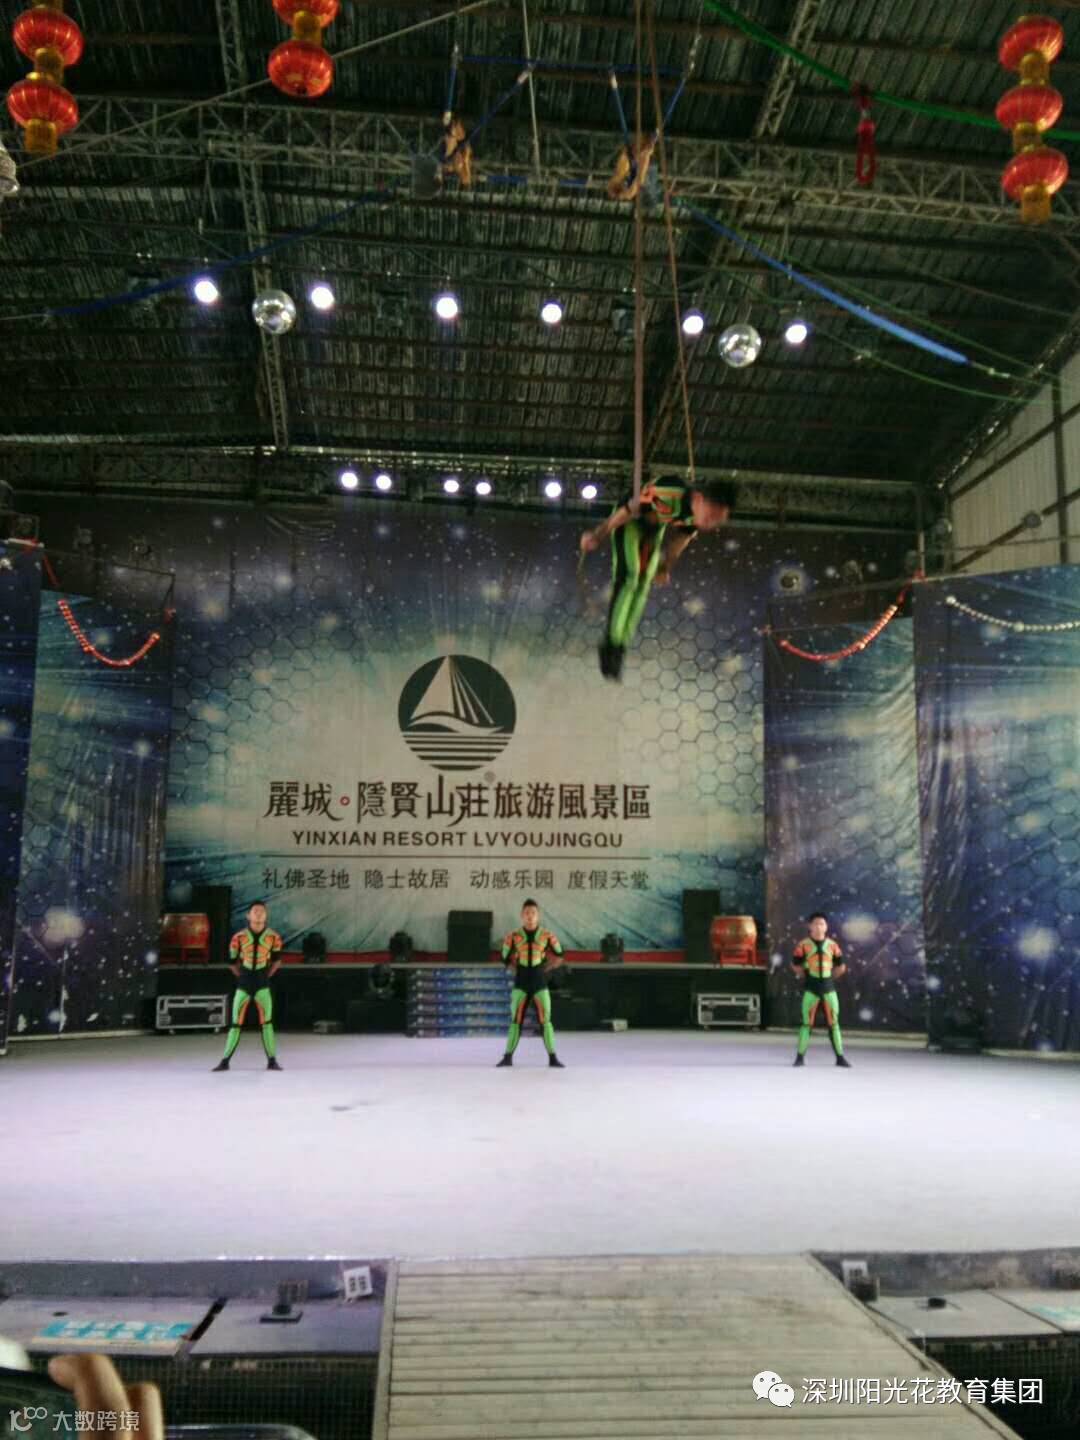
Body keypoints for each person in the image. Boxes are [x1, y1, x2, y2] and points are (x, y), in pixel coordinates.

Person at [579, 475, 735, 681]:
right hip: (629, 522)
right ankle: (611, 644)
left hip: (653, 530)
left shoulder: (695, 517)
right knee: (630, 578)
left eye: (717, 520)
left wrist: (664, 567)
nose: (711, 523)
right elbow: (627, 511)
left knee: (643, 587)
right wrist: (599, 534)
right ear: (698, 498)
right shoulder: (669, 494)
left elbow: (680, 541)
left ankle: (621, 646)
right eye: (711, 515)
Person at [212, 900, 284, 1071]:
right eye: (255, 911)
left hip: (262, 984)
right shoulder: (238, 937)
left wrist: (265, 975)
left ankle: (272, 1061)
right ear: (248, 915)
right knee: (235, 1023)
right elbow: (232, 962)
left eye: (262, 911)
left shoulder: (274, 937)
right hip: (244, 985)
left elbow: (277, 961)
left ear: (266, 915)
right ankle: (225, 1061)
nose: (258, 914)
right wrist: (243, 975)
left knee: (267, 1023)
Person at [495, 899, 566, 1068]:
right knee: (516, 1021)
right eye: (527, 913)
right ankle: (507, 1057)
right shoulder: (513, 937)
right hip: (521, 983)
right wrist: (516, 969)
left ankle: (553, 1058)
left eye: (533, 913)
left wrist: (547, 968)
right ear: (522, 915)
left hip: (539, 982)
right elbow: (504, 958)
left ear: (538, 915)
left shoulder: (547, 936)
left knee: (546, 1021)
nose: (530, 916)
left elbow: (560, 955)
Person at [791, 911, 850, 1067]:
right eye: (815, 924)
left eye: (822, 924)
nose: (818, 927)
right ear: (809, 926)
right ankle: (799, 1058)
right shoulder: (803, 945)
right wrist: (806, 976)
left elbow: (841, 966)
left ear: (826, 927)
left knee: (834, 1024)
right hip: (811, 989)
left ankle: (840, 1058)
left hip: (829, 990)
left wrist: (829, 979)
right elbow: (795, 964)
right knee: (806, 1024)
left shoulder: (832, 945)